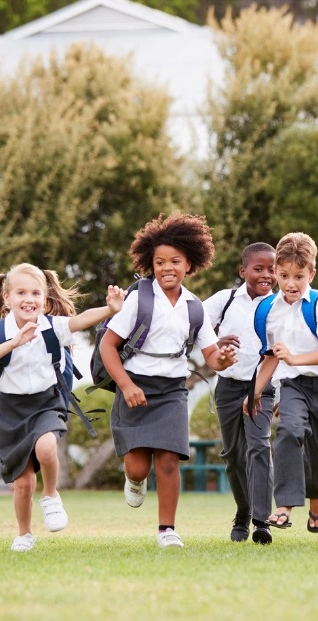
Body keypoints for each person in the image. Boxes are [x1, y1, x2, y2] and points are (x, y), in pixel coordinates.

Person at [100, 212, 237, 549]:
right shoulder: (139, 298)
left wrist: (223, 359)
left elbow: (211, 355)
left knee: (168, 460)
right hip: (135, 386)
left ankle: (167, 530)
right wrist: (126, 385)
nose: (167, 268)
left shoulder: (195, 307)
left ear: (189, 264)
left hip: (173, 390)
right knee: (137, 467)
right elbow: (107, 346)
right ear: (151, 264)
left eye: (175, 261)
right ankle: (135, 480)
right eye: (159, 262)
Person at [0, 263, 126, 552]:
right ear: (7, 298)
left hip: (46, 401)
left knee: (46, 448)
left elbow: (80, 321)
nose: (28, 299)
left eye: (35, 293)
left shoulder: (53, 326)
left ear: (44, 298)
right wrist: (14, 343)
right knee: (23, 483)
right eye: (21, 293)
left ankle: (51, 495)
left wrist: (110, 309)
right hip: (9, 409)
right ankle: (24, 534)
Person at [247, 232, 318, 534]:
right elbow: (271, 357)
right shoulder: (269, 310)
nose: (291, 283)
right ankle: (285, 506)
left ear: (311, 274)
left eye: (299, 276)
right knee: (289, 431)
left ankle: (317, 494)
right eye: (284, 275)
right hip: (293, 386)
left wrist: (294, 358)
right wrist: (254, 392)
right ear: (276, 271)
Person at [203, 242, 277, 545]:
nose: (266, 275)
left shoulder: (280, 305)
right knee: (234, 456)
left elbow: (282, 352)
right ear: (243, 270)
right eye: (258, 269)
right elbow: (195, 326)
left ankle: (262, 521)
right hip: (228, 387)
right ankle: (243, 512)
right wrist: (215, 343)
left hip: (262, 388)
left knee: (259, 448)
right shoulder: (226, 299)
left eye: (272, 269)